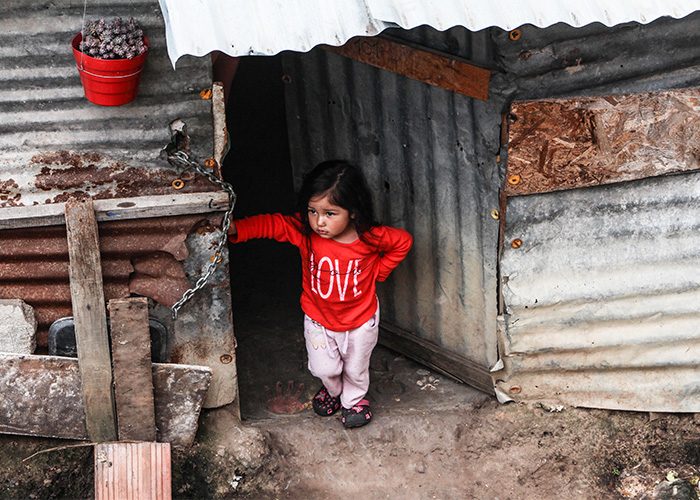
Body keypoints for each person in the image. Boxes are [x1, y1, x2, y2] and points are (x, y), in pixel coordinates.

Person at [228, 160, 413, 428]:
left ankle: (354, 401)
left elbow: (403, 242)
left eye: (330, 213)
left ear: (352, 212)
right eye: (313, 211)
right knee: (324, 368)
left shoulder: (370, 237)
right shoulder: (304, 232)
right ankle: (333, 390)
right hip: (318, 318)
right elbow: (273, 224)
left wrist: (379, 272)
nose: (319, 222)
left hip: (360, 320)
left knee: (355, 368)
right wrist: (237, 229)